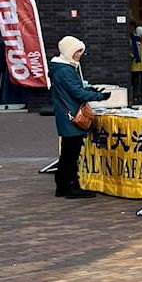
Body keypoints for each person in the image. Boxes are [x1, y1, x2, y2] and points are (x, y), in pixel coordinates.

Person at [49, 36, 109, 200]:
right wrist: (100, 96)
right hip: (72, 116)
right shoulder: (66, 70)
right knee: (72, 153)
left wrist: (90, 90)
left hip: (66, 115)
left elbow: (74, 89)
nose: (79, 54)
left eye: (81, 51)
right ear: (68, 51)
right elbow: (77, 93)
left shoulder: (61, 68)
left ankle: (62, 185)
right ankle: (72, 187)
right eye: (77, 51)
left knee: (67, 152)